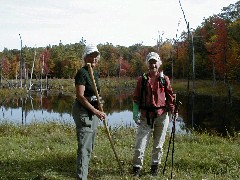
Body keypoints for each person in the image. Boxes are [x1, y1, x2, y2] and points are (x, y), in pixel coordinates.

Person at [132, 51, 177, 176]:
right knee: (140, 144)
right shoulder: (142, 79)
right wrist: (135, 112)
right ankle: (136, 168)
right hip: (145, 116)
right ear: (148, 64)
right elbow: (136, 98)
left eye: (155, 62)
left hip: (162, 116)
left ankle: (154, 168)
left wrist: (173, 110)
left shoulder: (164, 79)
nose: (153, 65)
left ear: (159, 63)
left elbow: (170, 97)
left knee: (158, 145)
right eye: (151, 62)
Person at [72, 44, 105, 180]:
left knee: (89, 146)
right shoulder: (82, 73)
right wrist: (95, 111)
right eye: (92, 55)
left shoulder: (94, 73)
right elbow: (80, 96)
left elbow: (94, 95)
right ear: (85, 57)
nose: (95, 58)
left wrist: (99, 107)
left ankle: (84, 172)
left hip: (93, 112)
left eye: (96, 56)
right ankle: (81, 177)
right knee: (84, 147)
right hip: (83, 112)